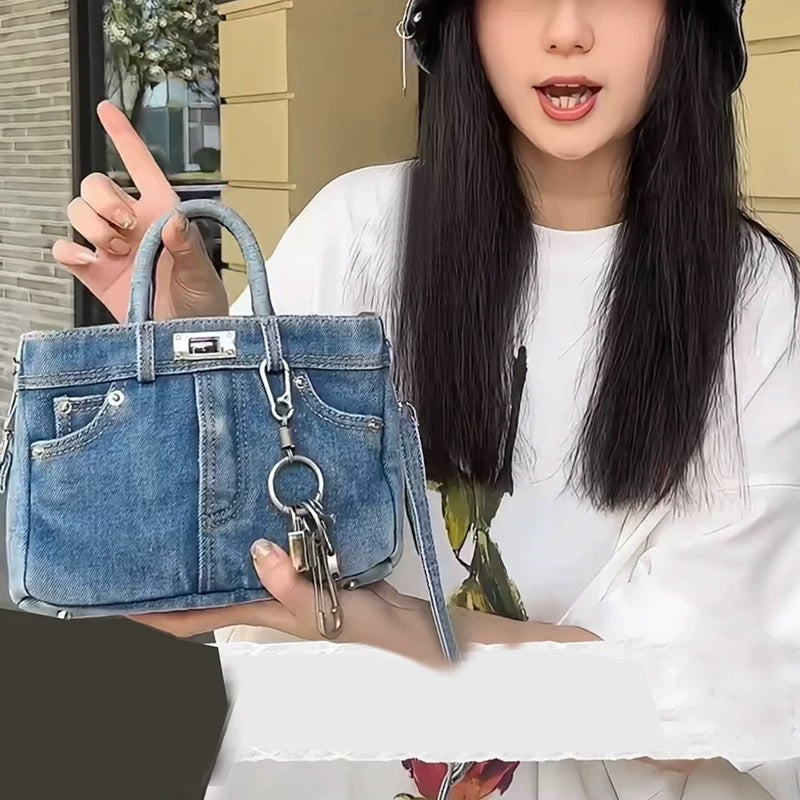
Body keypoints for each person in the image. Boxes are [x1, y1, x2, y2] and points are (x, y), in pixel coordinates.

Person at [53, 0, 800, 797]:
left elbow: (702, 699)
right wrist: (192, 348)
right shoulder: (358, 233)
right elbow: (233, 526)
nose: (567, 30)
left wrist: (384, 625)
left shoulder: (755, 302)